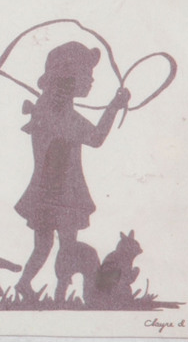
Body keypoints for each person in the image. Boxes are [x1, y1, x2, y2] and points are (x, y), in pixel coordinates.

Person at [14, 41, 130, 303]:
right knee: (63, 246)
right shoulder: (56, 114)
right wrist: (113, 107)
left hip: (50, 192)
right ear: (67, 77)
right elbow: (96, 138)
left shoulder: (50, 110)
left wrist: (114, 106)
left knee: (45, 245)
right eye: (86, 74)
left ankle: (27, 284)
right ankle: (56, 293)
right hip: (61, 193)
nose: (91, 80)